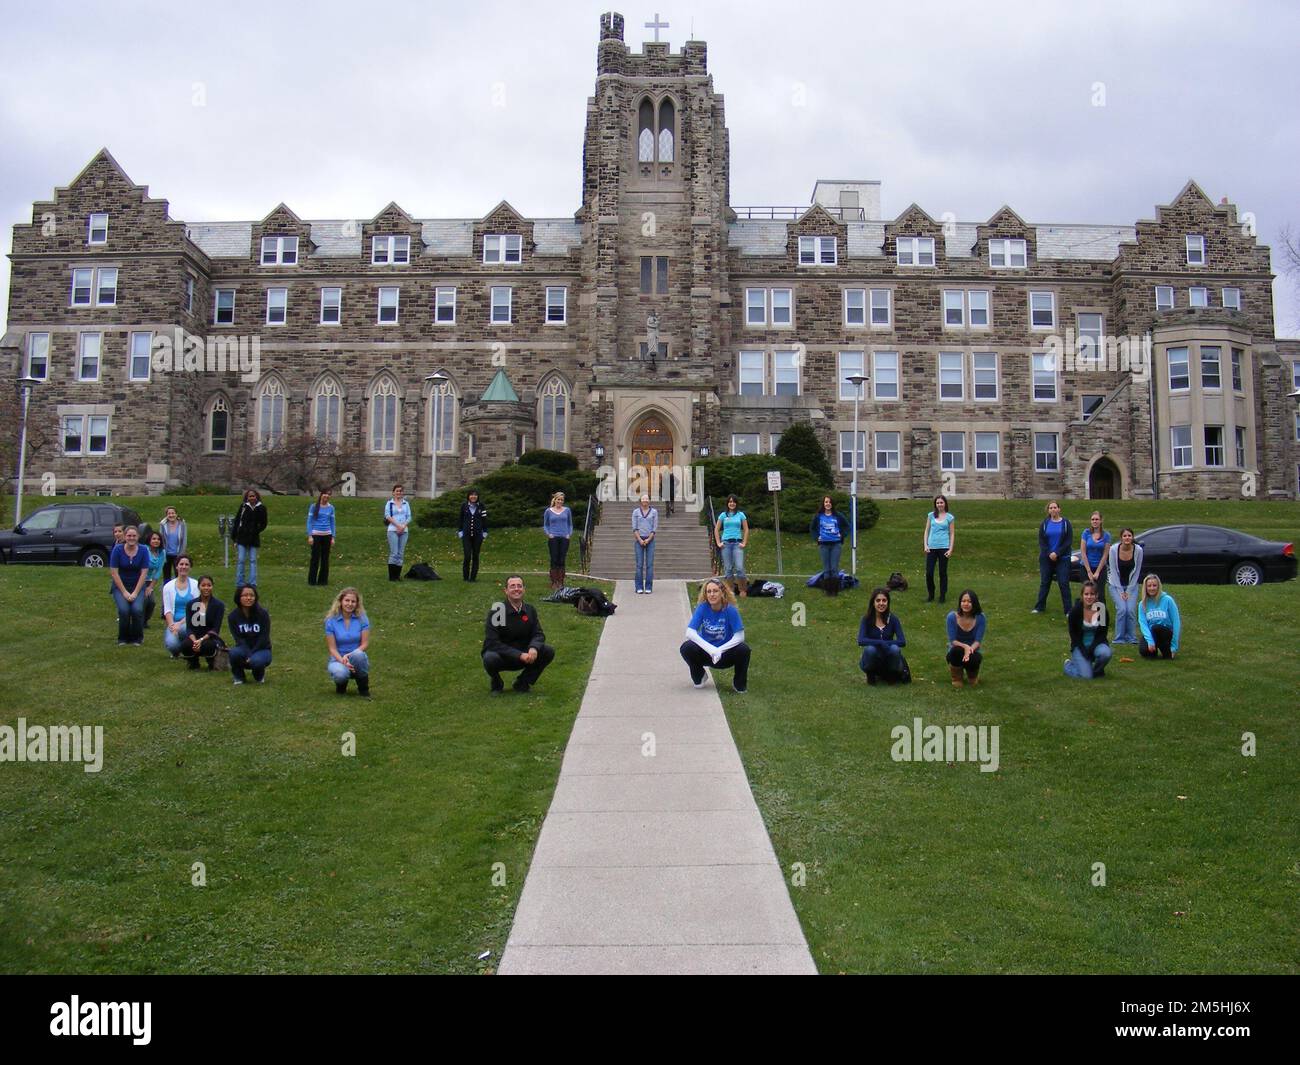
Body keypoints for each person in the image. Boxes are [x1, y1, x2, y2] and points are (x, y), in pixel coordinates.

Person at [482, 575, 555, 692]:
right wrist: (519, 655)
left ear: (524, 589)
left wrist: (533, 648)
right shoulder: (498, 611)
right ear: (506, 591)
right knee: (489, 658)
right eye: (512, 586)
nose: (516, 589)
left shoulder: (530, 610)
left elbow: (538, 634)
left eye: (519, 586)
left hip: (525, 654)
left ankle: (522, 682)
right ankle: (496, 682)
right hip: (503, 656)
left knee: (548, 651)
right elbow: (492, 642)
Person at [680, 576, 751, 693]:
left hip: (725, 655)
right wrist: (712, 650)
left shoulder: (730, 610)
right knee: (687, 648)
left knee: (744, 650)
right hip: (707, 654)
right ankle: (700, 676)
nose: (712, 594)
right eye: (709, 591)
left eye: (715, 591)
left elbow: (740, 636)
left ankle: (739, 684)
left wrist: (720, 650)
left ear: (722, 593)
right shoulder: (702, 608)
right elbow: (690, 632)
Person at [109, 525, 153, 646]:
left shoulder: (144, 550)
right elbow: (114, 572)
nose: (131, 538)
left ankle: (137, 638)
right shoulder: (117, 549)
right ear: (124, 536)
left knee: (137, 609)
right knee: (124, 610)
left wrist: (135, 593)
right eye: (129, 535)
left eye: (134, 536)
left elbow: (144, 573)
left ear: (138, 537)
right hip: (120, 585)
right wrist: (124, 592)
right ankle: (123, 638)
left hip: (137, 585)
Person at [326, 587, 371, 696]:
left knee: (359, 655)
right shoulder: (331, 621)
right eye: (347, 600)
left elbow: (365, 644)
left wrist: (349, 655)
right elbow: (332, 648)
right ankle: (341, 687)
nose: (350, 604)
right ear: (340, 602)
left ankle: (363, 688)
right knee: (340, 673)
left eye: (353, 601)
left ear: (357, 604)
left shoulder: (362, 619)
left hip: (356, 657)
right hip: (338, 659)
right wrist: (343, 660)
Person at [1032, 500, 1073, 615]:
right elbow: (1042, 541)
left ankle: (1068, 610)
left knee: (1064, 583)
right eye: (1051, 508)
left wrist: (1057, 553)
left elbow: (1068, 541)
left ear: (1059, 509)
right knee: (1045, 582)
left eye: (1055, 507)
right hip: (1046, 558)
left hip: (1062, 558)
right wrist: (1050, 553)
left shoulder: (1066, 523)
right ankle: (1040, 607)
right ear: (1048, 510)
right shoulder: (1044, 524)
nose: (1053, 510)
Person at [858, 587, 907, 684]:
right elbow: (861, 640)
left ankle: (891, 676)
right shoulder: (866, 619)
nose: (881, 603)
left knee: (895, 649)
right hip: (873, 656)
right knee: (870, 649)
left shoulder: (893, 619)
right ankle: (871, 675)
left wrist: (886, 644)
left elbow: (902, 641)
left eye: (884, 600)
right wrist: (880, 642)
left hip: (888, 656)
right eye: (878, 600)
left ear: (888, 603)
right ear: (873, 603)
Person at [1065, 581, 1112, 679]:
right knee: (1086, 676)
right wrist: (1083, 650)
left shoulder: (1102, 609)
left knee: (1106, 653)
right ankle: (1068, 665)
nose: (1089, 597)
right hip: (1079, 645)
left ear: (1096, 595)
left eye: (1092, 594)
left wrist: (1092, 648)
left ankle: (1097, 671)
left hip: (1097, 643)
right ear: (1082, 595)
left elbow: (1102, 634)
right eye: (1086, 594)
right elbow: (1073, 635)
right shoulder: (1075, 611)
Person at [227, 584, 272, 685]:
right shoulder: (232, 617)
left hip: (262, 649)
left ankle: (259, 675)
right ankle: (238, 677)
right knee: (233, 653)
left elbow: (264, 638)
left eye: (251, 595)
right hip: (243, 648)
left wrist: (252, 655)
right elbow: (238, 639)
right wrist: (248, 653)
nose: (249, 598)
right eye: (245, 595)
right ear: (239, 598)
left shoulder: (263, 614)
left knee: (256, 661)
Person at [1107, 527, 1143, 644]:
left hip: (1131, 585)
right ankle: (1119, 638)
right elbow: (1112, 570)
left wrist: (1128, 590)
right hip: (1115, 584)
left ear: (1132, 537)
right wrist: (1120, 592)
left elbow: (1137, 571)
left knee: (1131, 610)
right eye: (1125, 536)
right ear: (1121, 538)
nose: (1127, 538)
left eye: (1129, 536)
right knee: (1122, 609)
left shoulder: (1138, 550)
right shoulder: (1113, 550)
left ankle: (1131, 637)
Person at [181, 576, 224, 670]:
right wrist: (195, 641)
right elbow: (189, 627)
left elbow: (216, 629)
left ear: (212, 587)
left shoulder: (219, 605)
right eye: (203, 585)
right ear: (199, 587)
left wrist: (201, 640)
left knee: (208, 645)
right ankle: (193, 662)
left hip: (210, 637)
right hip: (194, 637)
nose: (206, 588)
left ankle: (212, 662)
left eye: (209, 585)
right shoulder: (191, 604)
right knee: (186, 645)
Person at [810, 495, 850, 597]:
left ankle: (835, 591)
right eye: (826, 502)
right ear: (823, 504)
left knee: (834, 568)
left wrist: (842, 534)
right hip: (824, 545)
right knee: (826, 569)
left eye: (829, 502)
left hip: (836, 544)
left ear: (832, 504)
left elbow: (847, 526)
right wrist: (816, 537)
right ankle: (828, 591)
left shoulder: (838, 515)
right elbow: (812, 528)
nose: (828, 504)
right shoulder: (818, 516)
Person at [161, 555, 199, 658]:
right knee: (172, 645)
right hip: (174, 623)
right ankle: (178, 648)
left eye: (187, 564)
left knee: (184, 629)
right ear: (176, 567)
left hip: (190, 622)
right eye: (181, 564)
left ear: (190, 568)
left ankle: (188, 645)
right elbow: (167, 609)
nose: (184, 567)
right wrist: (172, 626)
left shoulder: (196, 585)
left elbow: (197, 611)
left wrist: (180, 624)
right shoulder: (168, 586)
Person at [946, 589, 986, 688]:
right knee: (955, 651)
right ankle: (956, 678)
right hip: (956, 648)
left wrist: (970, 650)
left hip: (973, 650)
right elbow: (953, 641)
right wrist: (965, 647)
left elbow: (978, 641)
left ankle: (972, 677)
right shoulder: (952, 617)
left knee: (976, 658)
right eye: (963, 601)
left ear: (974, 603)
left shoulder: (981, 618)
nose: (966, 604)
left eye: (969, 601)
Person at [1138, 574, 1181, 660]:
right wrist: (1150, 641)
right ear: (1145, 588)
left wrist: (1174, 646)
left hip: (1166, 633)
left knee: (1156, 627)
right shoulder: (1142, 604)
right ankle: (1153, 650)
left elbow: (1176, 622)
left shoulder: (1168, 600)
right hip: (1152, 633)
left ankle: (1166, 650)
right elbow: (1143, 624)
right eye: (1149, 586)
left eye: (1154, 585)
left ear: (1158, 586)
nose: (1152, 588)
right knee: (1144, 651)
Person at [714, 495, 750, 597]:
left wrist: (744, 542)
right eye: (730, 501)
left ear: (736, 503)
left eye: (734, 502)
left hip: (737, 544)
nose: (732, 503)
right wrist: (718, 542)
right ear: (727, 503)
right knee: (728, 568)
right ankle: (730, 591)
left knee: (739, 567)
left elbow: (746, 529)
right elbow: (716, 529)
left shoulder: (741, 515)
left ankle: (742, 589)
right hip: (726, 544)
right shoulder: (723, 515)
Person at [922, 494, 956, 603]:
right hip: (931, 547)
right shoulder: (931, 515)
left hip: (944, 548)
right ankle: (931, 594)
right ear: (935, 504)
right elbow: (926, 531)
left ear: (945, 503)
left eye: (941, 502)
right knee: (929, 573)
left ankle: (942, 595)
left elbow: (952, 533)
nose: (939, 504)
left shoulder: (949, 517)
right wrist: (926, 545)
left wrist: (950, 549)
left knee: (942, 572)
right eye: (937, 503)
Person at [232, 489, 268, 588]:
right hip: (242, 537)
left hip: (254, 538)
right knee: (241, 560)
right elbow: (237, 522)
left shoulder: (261, 508)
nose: (252, 498)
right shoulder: (243, 507)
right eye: (250, 496)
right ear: (247, 497)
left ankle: (252, 582)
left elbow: (264, 523)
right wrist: (234, 538)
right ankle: (240, 582)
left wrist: (256, 530)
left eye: (253, 496)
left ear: (256, 497)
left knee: (253, 560)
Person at [543, 492, 573, 591]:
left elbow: (570, 524)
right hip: (553, 538)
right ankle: (554, 582)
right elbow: (546, 524)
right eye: (558, 499)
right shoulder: (548, 511)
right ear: (554, 500)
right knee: (554, 559)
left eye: (561, 500)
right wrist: (548, 534)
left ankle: (561, 582)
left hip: (564, 537)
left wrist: (569, 534)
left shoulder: (567, 510)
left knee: (562, 559)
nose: (560, 501)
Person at [306, 489, 336, 586]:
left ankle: (323, 581)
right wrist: (310, 535)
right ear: (321, 495)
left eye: (328, 495)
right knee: (315, 558)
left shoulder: (331, 508)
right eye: (325, 494)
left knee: (325, 559)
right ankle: (312, 581)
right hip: (316, 535)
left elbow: (332, 523)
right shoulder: (314, 506)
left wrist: (333, 537)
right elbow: (309, 522)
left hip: (327, 535)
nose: (326, 496)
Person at [457, 489, 488, 582]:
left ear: (477, 496)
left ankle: (473, 578)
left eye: (475, 495)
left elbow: (484, 519)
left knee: (475, 556)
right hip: (466, 535)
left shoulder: (481, 506)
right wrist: (460, 531)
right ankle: (465, 577)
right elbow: (460, 519)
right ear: (468, 496)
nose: (473, 497)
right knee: (467, 556)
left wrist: (485, 532)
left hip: (478, 536)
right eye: (471, 495)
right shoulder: (464, 506)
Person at [383, 484, 412, 581]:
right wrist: (398, 526)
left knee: (400, 553)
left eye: (400, 491)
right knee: (394, 553)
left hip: (404, 530)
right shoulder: (389, 503)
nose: (399, 493)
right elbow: (387, 516)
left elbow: (409, 517)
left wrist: (403, 526)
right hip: (393, 530)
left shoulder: (406, 504)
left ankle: (398, 576)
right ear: (393, 492)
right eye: (397, 491)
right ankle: (392, 576)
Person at [632, 493, 658, 594]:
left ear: (649, 501)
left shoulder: (654, 512)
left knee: (649, 565)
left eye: (647, 499)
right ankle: (638, 586)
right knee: (639, 565)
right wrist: (640, 540)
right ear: (640, 501)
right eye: (643, 499)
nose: (645, 501)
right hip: (639, 540)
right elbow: (634, 527)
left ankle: (648, 586)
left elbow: (654, 527)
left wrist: (648, 539)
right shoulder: (636, 512)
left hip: (650, 540)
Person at [1079, 510, 1111, 589]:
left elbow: (1105, 555)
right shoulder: (1086, 533)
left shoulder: (1106, 535)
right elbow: (1083, 552)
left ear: (1101, 520)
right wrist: (1089, 572)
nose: (1094, 521)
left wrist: (1097, 572)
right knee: (1087, 592)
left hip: (1100, 568)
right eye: (1092, 519)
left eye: (1096, 519)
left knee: (1100, 594)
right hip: (1086, 567)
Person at [158, 505, 188, 583]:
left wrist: (182, 554)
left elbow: (184, 540)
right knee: (166, 575)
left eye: (173, 513)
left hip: (178, 554)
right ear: (167, 515)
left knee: (178, 574)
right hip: (166, 554)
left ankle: (178, 589)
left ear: (176, 514)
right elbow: (161, 539)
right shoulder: (163, 525)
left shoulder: (182, 524)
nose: (171, 515)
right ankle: (166, 590)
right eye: (169, 513)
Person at [142, 531, 166, 627]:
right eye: (154, 539)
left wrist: (150, 587)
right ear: (149, 540)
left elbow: (159, 571)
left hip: (149, 581)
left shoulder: (162, 552)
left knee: (151, 602)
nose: (156, 541)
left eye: (158, 539)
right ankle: (139, 620)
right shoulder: (144, 550)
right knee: (144, 600)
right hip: (139, 579)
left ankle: (145, 620)